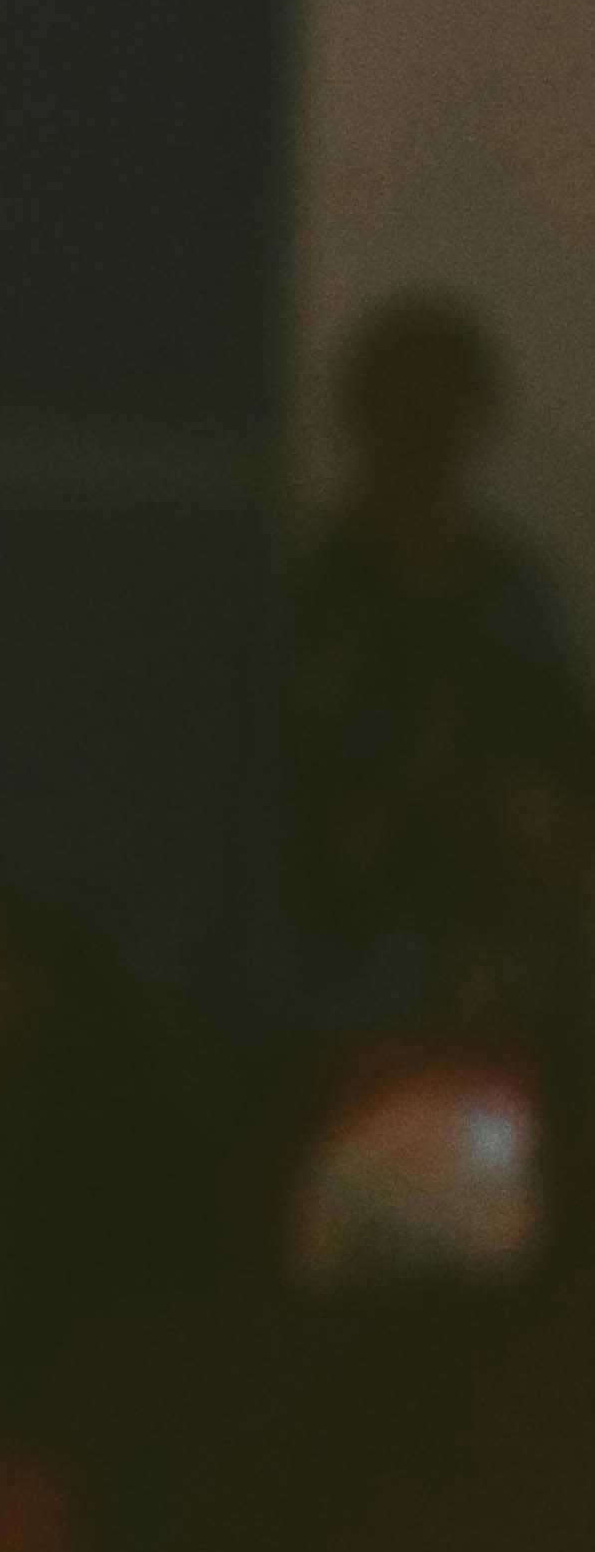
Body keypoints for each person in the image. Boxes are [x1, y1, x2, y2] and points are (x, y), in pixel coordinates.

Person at [281, 290, 591, 1036]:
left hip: (509, 958)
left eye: (441, 421)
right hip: (344, 966)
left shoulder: (512, 597)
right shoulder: (314, 600)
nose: (424, 447)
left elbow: (566, 766)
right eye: (402, 420)